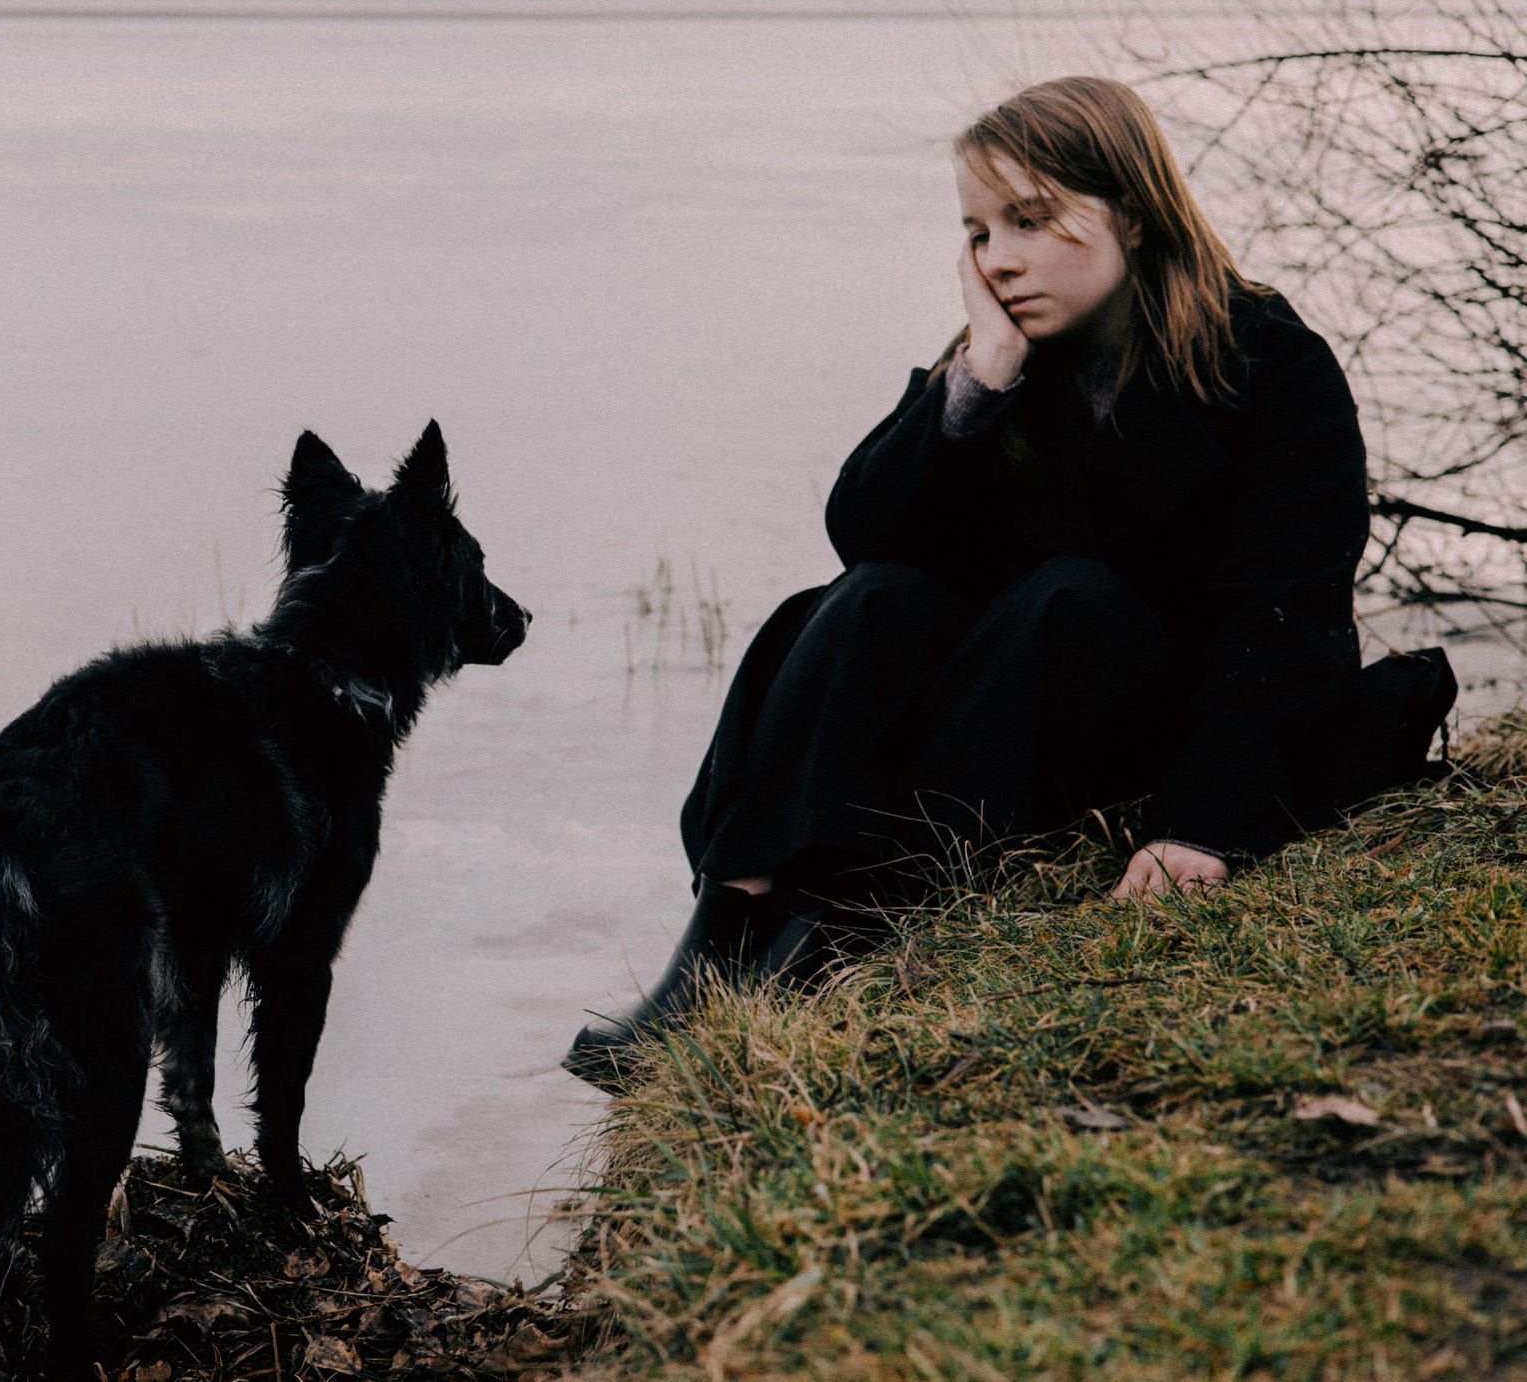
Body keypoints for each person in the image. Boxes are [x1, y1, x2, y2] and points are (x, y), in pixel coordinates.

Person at [565, 76, 1453, 1089]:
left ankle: (843, 925)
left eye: (1029, 220)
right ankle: (732, 928)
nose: (998, 259)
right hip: (994, 732)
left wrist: (1199, 825)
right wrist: (976, 380)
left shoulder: (1267, 365)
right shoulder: (1008, 362)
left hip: (1146, 724)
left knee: (1068, 595)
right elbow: (864, 535)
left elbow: (1283, 618)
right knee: (869, 599)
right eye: (978, 232)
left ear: (1132, 213)